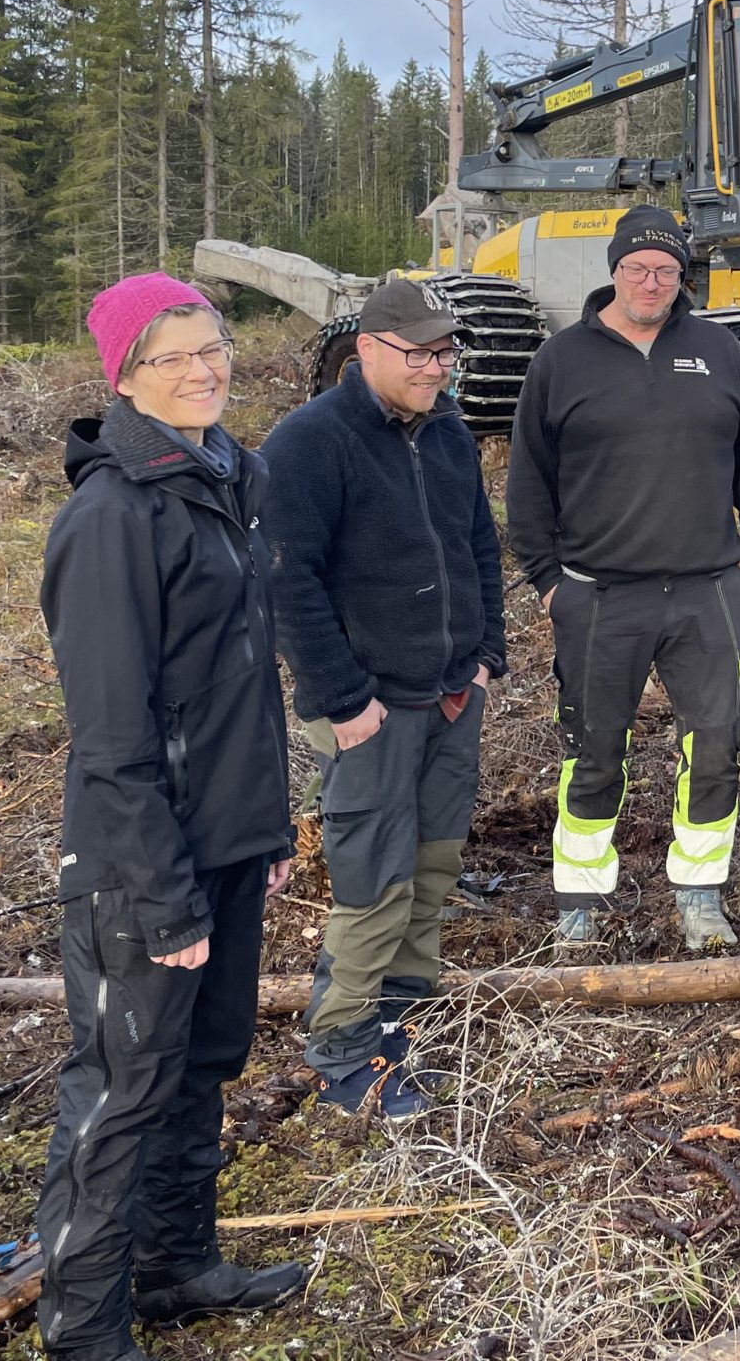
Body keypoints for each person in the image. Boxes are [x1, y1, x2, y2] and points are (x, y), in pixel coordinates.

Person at [35, 275, 302, 1361]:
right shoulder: (109, 515)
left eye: (214, 346)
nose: (205, 369)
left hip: (225, 844)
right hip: (139, 865)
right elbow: (110, 736)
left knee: (205, 1063)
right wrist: (161, 890)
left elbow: (240, 684)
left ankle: (174, 1267)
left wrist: (264, 832)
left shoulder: (228, 478)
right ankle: (83, 1327)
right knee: (122, 1089)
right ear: (125, 377)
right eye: (174, 356)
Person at [505, 205, 740, 953]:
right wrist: (548, 582)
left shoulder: (720, 351)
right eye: (637, 268)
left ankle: (700, 896)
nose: (651, 281)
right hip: (598, 593)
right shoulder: (561, 360)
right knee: (593, 748)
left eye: (665, 269)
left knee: (718, 743)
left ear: (681, 276)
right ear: (615, 271)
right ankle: (581, 903)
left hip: (709, 592)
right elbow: (527, 481)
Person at [261, 278, 505, 1119]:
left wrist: (484, 658)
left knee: (434, 863)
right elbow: (287, 584)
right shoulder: (308, 443)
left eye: (446, 353)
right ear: (366, 350)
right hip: (367, 709)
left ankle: (402, 1013)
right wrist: (341, 698)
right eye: (420, 354)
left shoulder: (447, 436)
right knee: (373, 881)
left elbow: (478, 545)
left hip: (449, 694)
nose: (437, 369)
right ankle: (342, 1048)